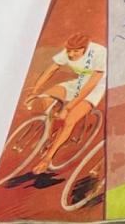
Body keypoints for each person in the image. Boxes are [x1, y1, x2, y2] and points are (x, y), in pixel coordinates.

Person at [22, 33, 106, 175]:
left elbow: (91, 85)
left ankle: (47, 158)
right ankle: (49, 133)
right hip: (77, 83)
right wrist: (34, 92)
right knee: (45, 99)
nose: (71, 55)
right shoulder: (68, 52)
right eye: (69, 51)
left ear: (85, 48)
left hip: (94, 89)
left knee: (69, 120)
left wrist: (69, 106)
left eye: (76, 51)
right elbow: (51, 70)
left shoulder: (100, 53)